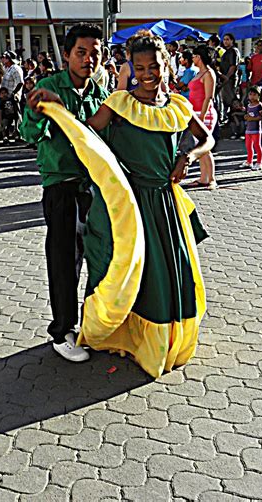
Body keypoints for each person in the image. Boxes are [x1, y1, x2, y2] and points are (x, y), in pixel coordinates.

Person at [29, 33, 213, 378]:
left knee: (167, 273)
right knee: (121, 270)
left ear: (166, 65)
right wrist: (58, 110)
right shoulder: (118, 102)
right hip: (128, 205)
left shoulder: (178, 105)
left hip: (164, 204)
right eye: (139, 67)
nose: (147, 73)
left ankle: (161, 336)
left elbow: (207, 138)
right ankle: (92, 331)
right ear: (130, 68)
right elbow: (86, 136)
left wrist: (188, 155)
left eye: (154, 66)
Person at [20, 23, 108, 363]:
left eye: (94, 53)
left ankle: (93, 323)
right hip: (62, 186)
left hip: (96, 187)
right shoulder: (48, 88)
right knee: (64, 261)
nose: (88, 59)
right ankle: (62, 331)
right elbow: (30, 133)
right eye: (81, 53)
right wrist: (35, 109)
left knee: (99, 256)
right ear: (68, 55)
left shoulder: (100, 93)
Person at [187, 45, 218, 189]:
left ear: (199, 57)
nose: (192, 58)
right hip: (196, 113)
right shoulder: (199, 73)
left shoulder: (208, 73)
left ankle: (211, 179)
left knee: (205, 146)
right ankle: (203, 177)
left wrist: (203, 116)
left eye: (194, 56)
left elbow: (208, 97)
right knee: (200, 147)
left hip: (205, 114)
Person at [240, 86, 262, 170]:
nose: (252, 96)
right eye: (250, 94)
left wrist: (252, 119)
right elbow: (248, 114)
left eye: (254, 94)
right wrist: (246, 117)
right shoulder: (249, 105)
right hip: (248, 130)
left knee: (257, 146)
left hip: (256, 130)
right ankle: (249, 161)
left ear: (259, 95)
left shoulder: (259, 105)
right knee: (248, 146)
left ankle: (259, 162)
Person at [218, 33, 240, 121]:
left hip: (230, 79)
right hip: (224, 78)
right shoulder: (225, 51)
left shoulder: (233, 51)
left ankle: (234, 120)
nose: (225, 41)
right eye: (224, 39)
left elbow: (233, 66)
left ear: (232, 40)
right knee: (225, 100)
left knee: (231, 100)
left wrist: (226, 77)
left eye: (227, 39)